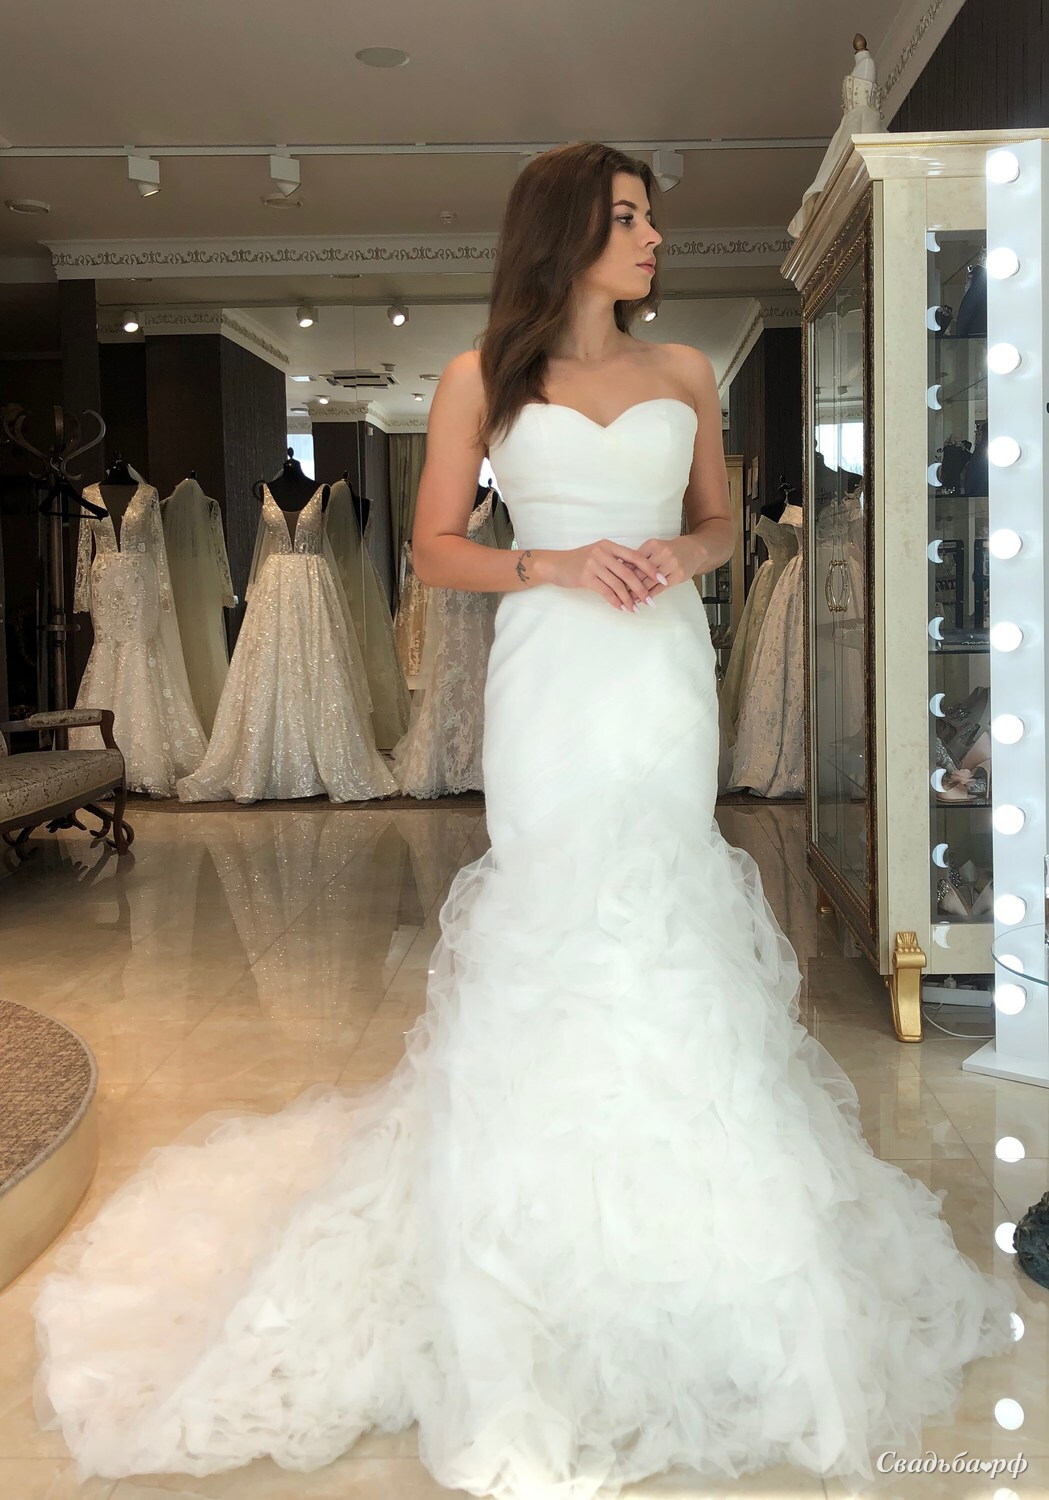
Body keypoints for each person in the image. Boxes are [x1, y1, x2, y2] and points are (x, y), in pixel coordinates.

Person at [32, 141, 1016, 1500]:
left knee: (661, 912)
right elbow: (436, 547)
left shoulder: (685, 373)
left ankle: (692, 1234)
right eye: (630, 219)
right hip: (551, 673)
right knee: (556, 921)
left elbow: (718, 521)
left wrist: (678, 552)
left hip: (658, 672)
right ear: (566, 232)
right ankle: (528, 1238)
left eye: (654, 220)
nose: (654, 240)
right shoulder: (477, 380)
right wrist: (553, 560)